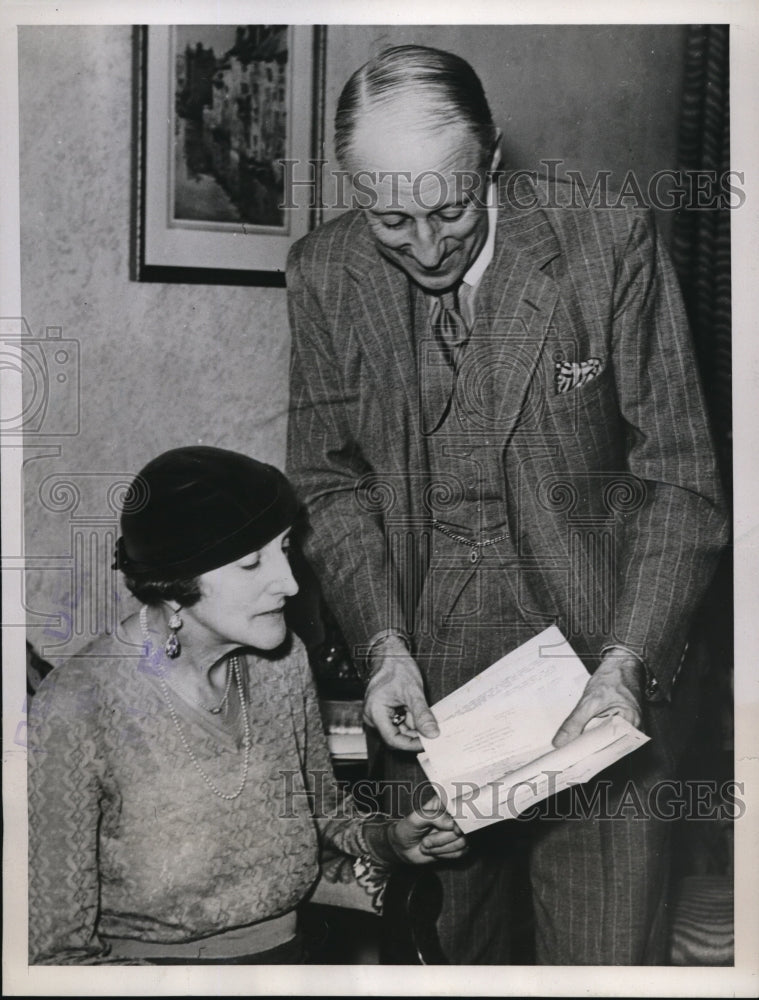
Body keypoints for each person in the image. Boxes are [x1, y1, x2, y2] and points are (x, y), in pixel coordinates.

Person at [286, 45, 729, 964]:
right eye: (389, 219)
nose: (425, 246)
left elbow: (680, 483)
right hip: (431, 689)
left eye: (448, 211)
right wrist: (382, 647)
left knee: (605, 968)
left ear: (490, 160)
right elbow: (331, 485)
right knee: (446, 961)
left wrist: (625, 663)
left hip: (597, 684)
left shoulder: (604, 240)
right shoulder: (324, 273)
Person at [27, 445, 466, 965]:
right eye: (252, 563)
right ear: (174, 584)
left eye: (283, 548)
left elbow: (324, 817)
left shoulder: (282, 660)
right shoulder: (79, 706)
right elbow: (59, 956)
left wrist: (393, 841)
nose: (290, 581)